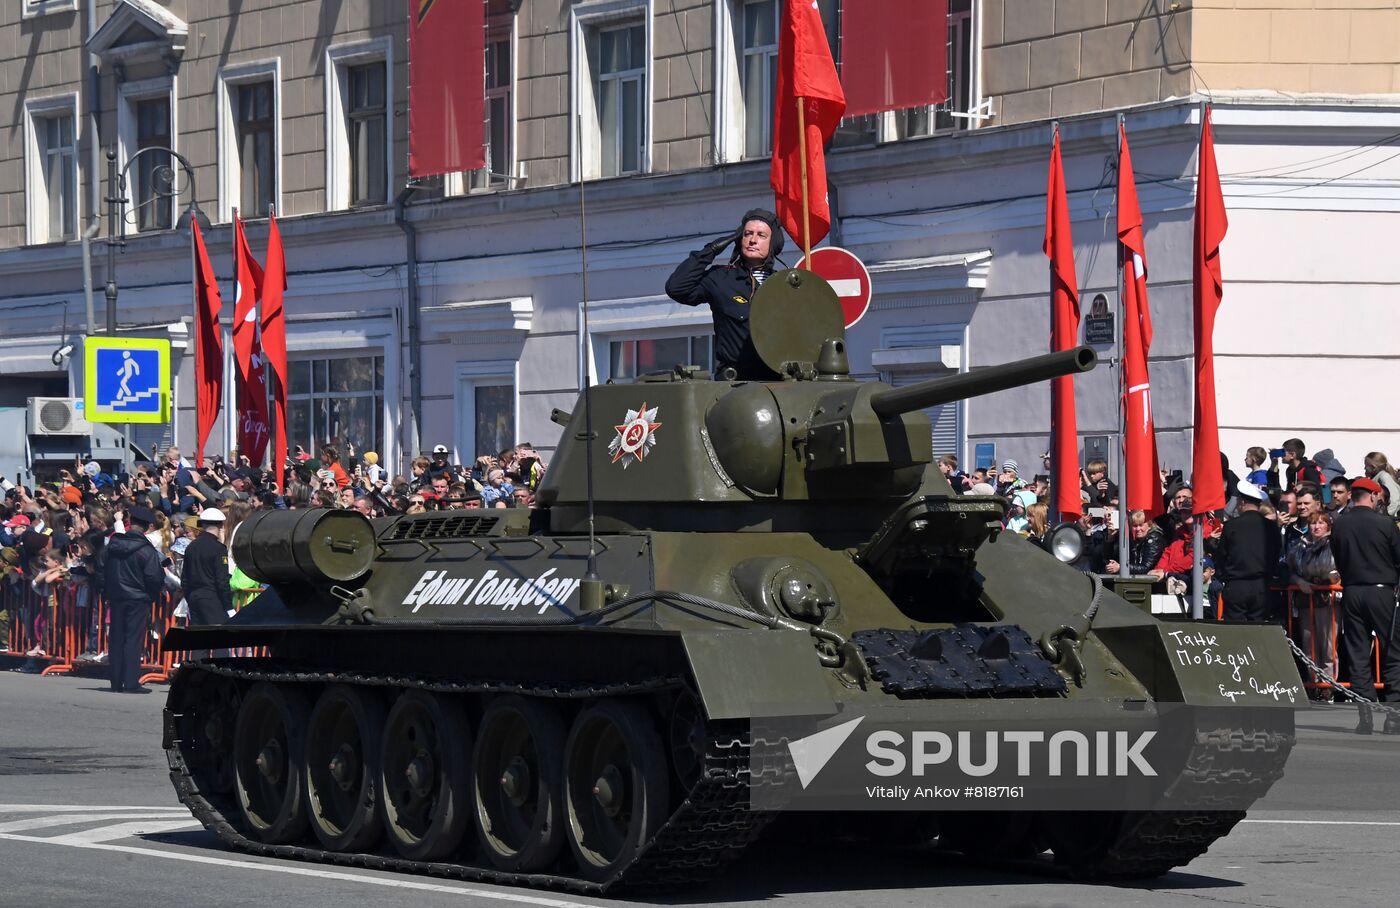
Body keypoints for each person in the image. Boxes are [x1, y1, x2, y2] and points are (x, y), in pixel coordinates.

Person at [665, 208, 785, 380]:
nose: (752, 240)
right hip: (733, 381)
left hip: (775, 381)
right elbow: (676, 288)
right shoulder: (721, 278)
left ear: (773, 243)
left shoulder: (782, 285)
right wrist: (712, 249)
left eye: (761, 235)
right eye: (747, 234)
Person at [1329, 476, 1400, 734]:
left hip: (1352, 591)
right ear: (1372, 496)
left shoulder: (1340, 524)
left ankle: (1365, 716)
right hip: (1381, 592)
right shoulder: (1384, 523)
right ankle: (1393, 716)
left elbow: (1338, 557)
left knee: (1358, 653)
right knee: (1393, 651)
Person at [102, 505, 165, 694]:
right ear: (146, 528)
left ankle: (116, 681)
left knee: (117, 638)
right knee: (132, 640)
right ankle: (130, 682)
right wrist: (153, 593)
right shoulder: (147, 551)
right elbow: (154, 577)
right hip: (138, 598)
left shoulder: (113, 546)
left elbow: (102, 568)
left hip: (117, 596)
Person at [1286, 510, 1340, 693]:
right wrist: (1299, 581)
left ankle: (1328, 688)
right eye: (1313, 523)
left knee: (1328, 647)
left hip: (1327, 599)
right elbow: (1290, 570)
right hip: (1305, 599)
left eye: (1320, 523)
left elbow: (1338, 569)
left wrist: (1332, 579)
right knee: (1309, 647)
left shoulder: (1334, 544)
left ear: (1328, 525)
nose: (1316, 527)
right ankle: (1314, 685)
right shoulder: (1299, 545)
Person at [1214, 482, 1280, 622]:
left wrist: (1223, 576)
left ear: (1242, 502)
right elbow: (1275, 555)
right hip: (1261, 586)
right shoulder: (1271, 527)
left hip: (1237, 585)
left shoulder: (1231, 526)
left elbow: (1222, 556)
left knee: (1236, 632)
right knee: (1258, 630)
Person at [180, 507, 232, 628]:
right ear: (220, 526)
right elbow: (222, 580)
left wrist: (190, 598)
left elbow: (185, 579)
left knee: (199, 642)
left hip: (194, 598)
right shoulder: (218, 548)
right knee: (221, 642)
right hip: (212, 600)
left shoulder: (191, 546)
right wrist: (228, 606)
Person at [1363, 452, 1400, 518]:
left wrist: (1386, 516)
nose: (1364, 468)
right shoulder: (1377, 477)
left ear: (1373, 467)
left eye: (1366, 465)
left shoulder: (1384, 476)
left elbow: (1395, 500)